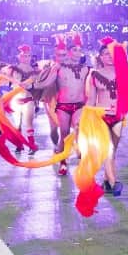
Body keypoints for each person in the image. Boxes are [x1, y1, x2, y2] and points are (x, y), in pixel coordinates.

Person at [36, 34, 89, 176]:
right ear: (69, 52)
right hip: (63, 106)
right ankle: (63, 162)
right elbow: (46, 83)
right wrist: (36, 84)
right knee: (64, 134)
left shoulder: (86, 69)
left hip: (79, 105)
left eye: (80, 50)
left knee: (79, 128)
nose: (78, 52)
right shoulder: (59, 68)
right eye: (75, 50)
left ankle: (81, 153)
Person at [86, 37, 127, 195]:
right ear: (100, 57)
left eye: (110, 54)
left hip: (118, 116)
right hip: (101, 116)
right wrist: (85, 119)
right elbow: (91, 99)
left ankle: (106, 181)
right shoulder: (94, 75)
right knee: (108, 149)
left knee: (112, 151)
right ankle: (114, 182)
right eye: (105, 54)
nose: (108, 57)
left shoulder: (124, 73)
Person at [8, 45, 38, 153]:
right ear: (19, 57)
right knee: (17, 125)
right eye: (24, 56)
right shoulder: (12, 69)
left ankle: (31, 145)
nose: (26, 58)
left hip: (28, 99)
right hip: (16, 100)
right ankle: (19, 145)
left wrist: (28, 81)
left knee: (29, 123)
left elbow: (34, 84)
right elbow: (9, 82)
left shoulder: (34, 70)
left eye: (28, 56)